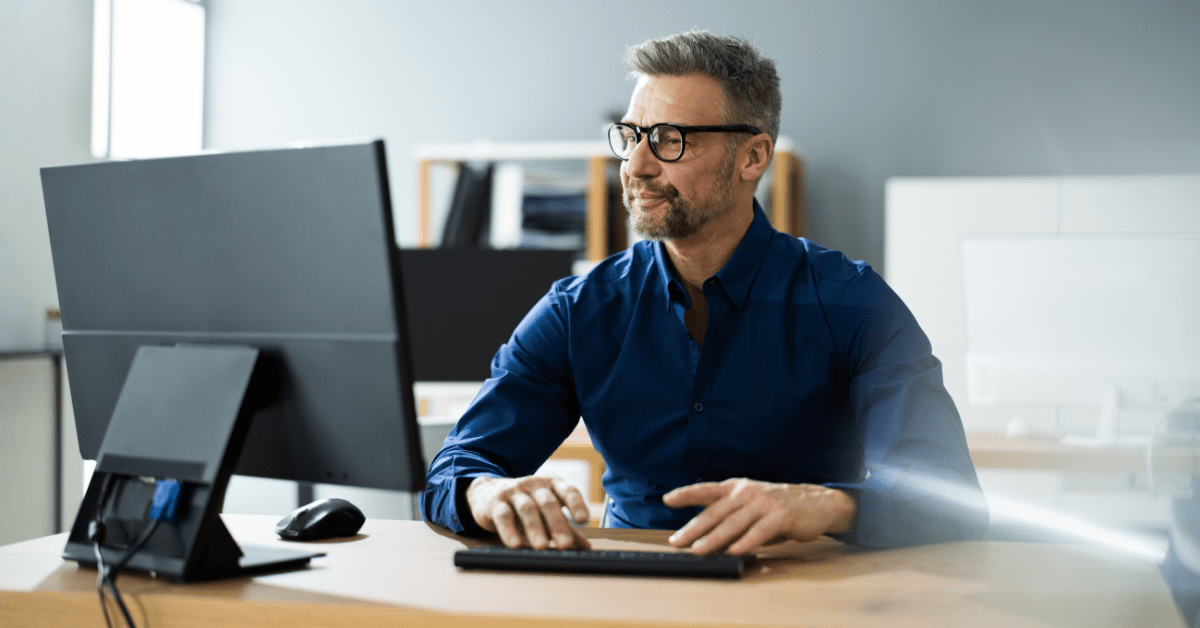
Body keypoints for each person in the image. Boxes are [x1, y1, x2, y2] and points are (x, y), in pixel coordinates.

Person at [421, 30, 988, 555]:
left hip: (798, 596)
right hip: (628, 602)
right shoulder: (578, 310)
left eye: (670, 140)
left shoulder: (853, 303)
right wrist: (486, 494)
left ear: (753, 157)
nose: (637, 165)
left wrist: (822, 504)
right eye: (631, 137)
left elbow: (950, 499)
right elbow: (455, 469)